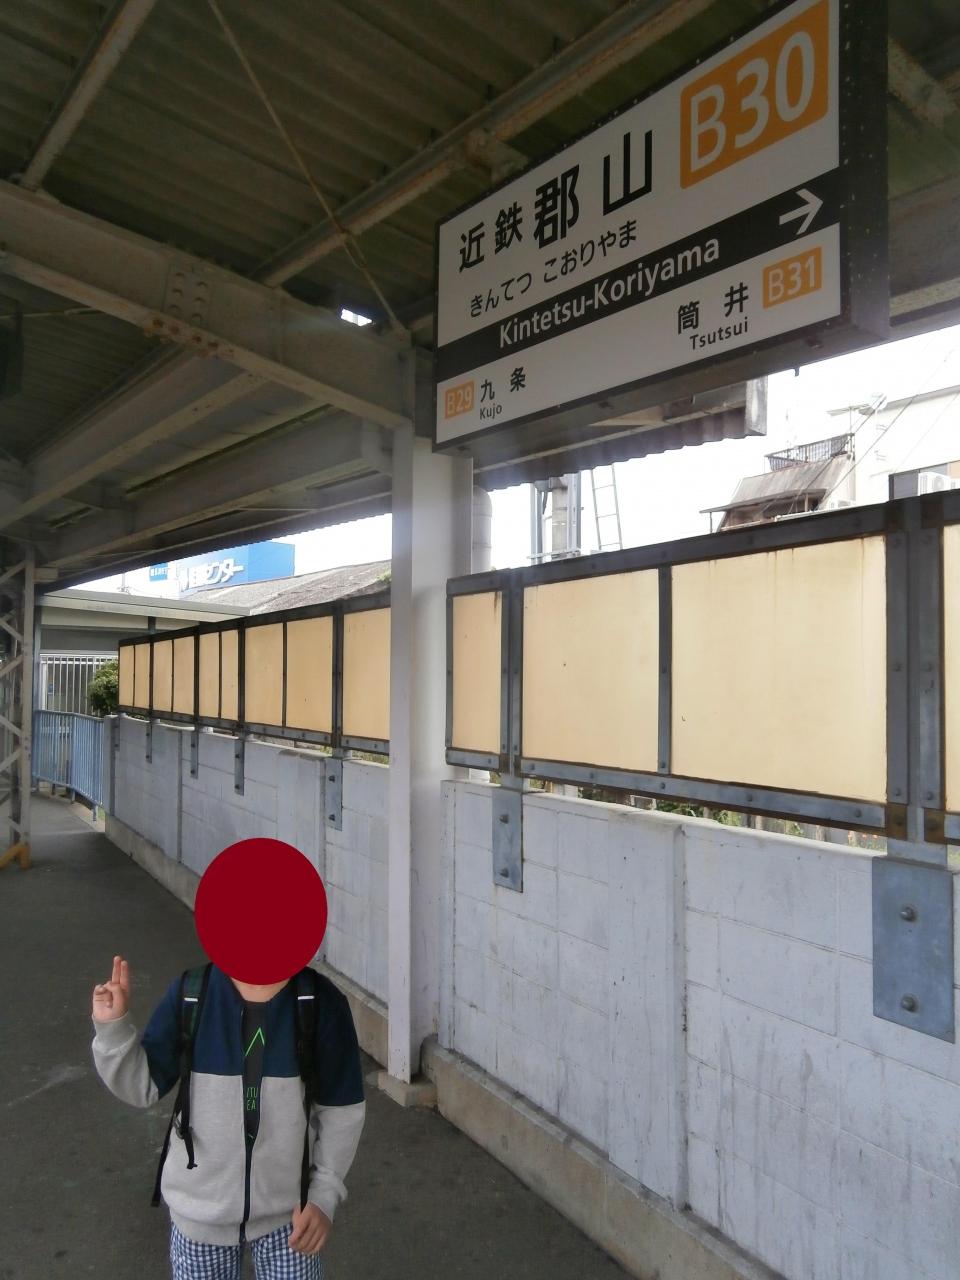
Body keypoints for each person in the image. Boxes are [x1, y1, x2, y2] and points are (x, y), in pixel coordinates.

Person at [91, 953, 365, 1279]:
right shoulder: (191, 993)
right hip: (200, 1216)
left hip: (291, 1214)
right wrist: (113, 1031)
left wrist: (323, 1196)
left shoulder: (320, 1002)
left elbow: (342, 1110)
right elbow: (142, 1086)